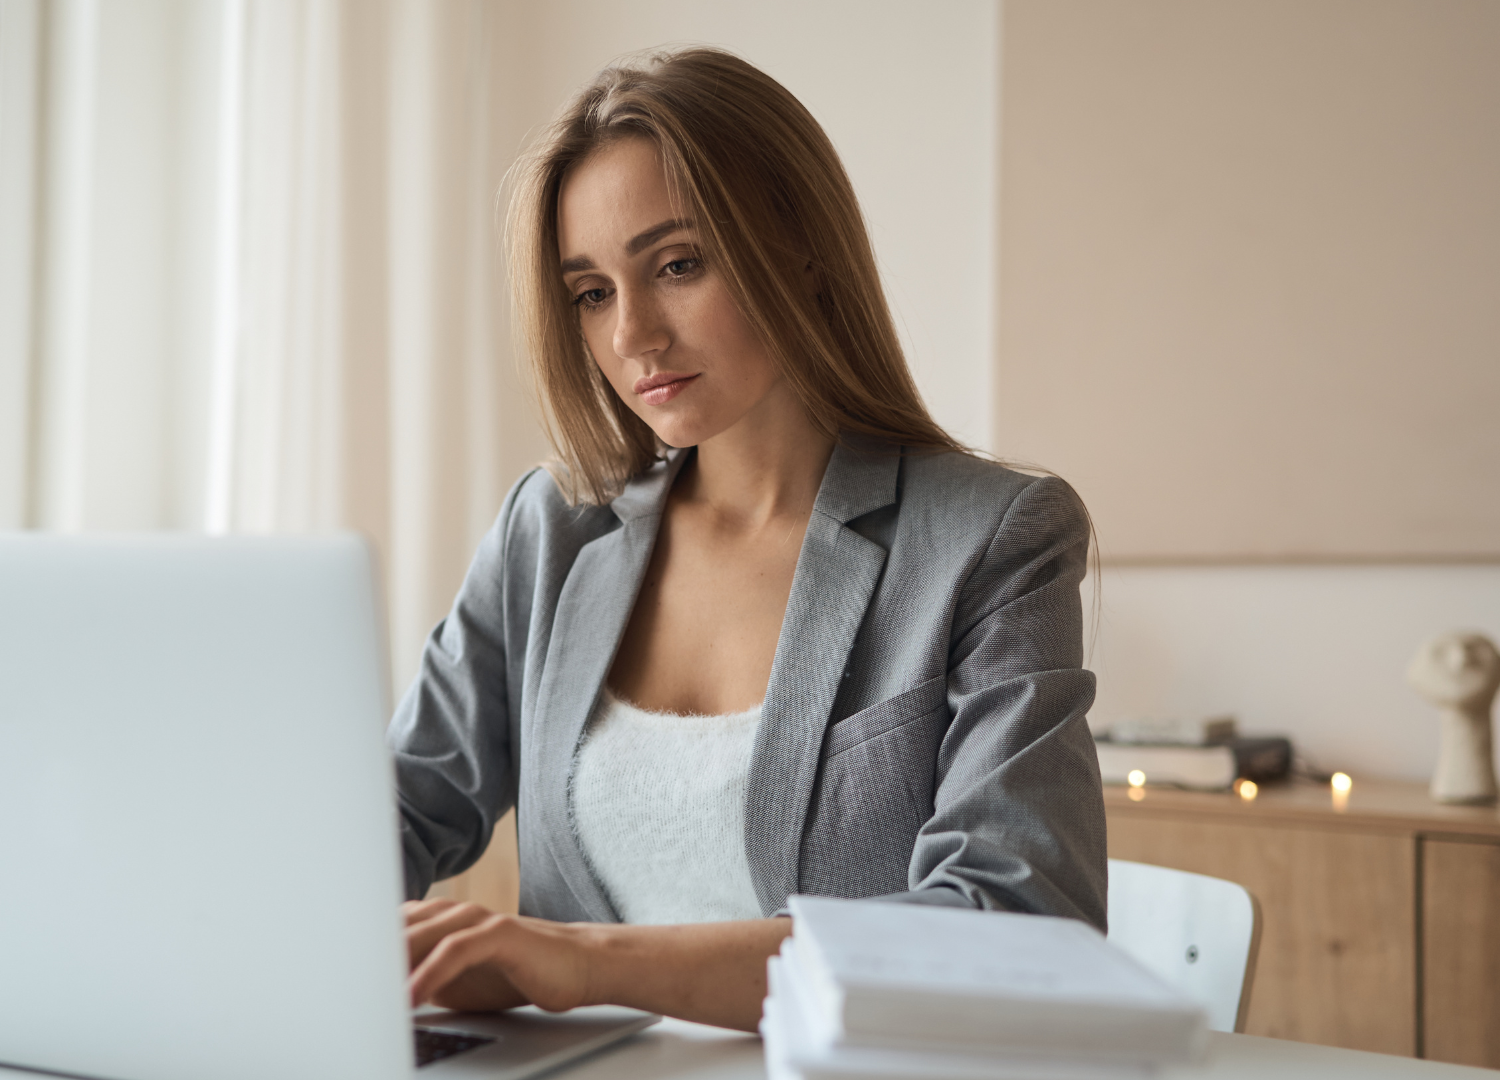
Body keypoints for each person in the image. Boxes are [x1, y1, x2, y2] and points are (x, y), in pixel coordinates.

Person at [390, 47, 1104, 1033]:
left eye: (677, 265)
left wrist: (588, 963)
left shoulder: (992, 539)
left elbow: (1017, 929)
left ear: (799, 251)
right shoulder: (550, 532)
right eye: (592, 292)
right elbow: (391, 811)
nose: (633, 333)